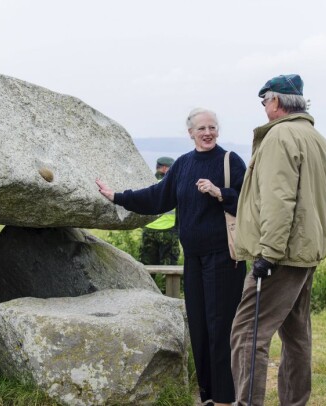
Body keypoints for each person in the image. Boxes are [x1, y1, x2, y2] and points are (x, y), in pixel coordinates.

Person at [96, 108, 247, 406]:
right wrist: (118, 196)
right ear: (190, 132)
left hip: (224, 258)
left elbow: (251, 202)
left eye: (212, 127)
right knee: (200, 328)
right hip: (194, 259)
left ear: (218, 131)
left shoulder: (230, 161)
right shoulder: (183, 165)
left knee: (220, 328)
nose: (208, 133)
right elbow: (157, 197)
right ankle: (208, 396)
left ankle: (225, 399)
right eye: (201, 128)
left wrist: (220, 193)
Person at [230, 74, 326, 406]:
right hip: (305, 254)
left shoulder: (280, 137)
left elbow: (279, 200)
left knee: (247, 333)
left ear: (275, 101)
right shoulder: (319, 140)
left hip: (280, 255)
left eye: (265, 101)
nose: (264, 107)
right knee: (296, 336)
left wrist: (268, 255)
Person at [140, 156, 180, 266]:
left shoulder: (147, 183)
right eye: (171, 168)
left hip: (148, 230)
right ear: (163, 168)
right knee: (169, 268)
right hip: (168, 230)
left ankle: (147, 284)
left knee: (147, 266)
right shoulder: (173, 184)